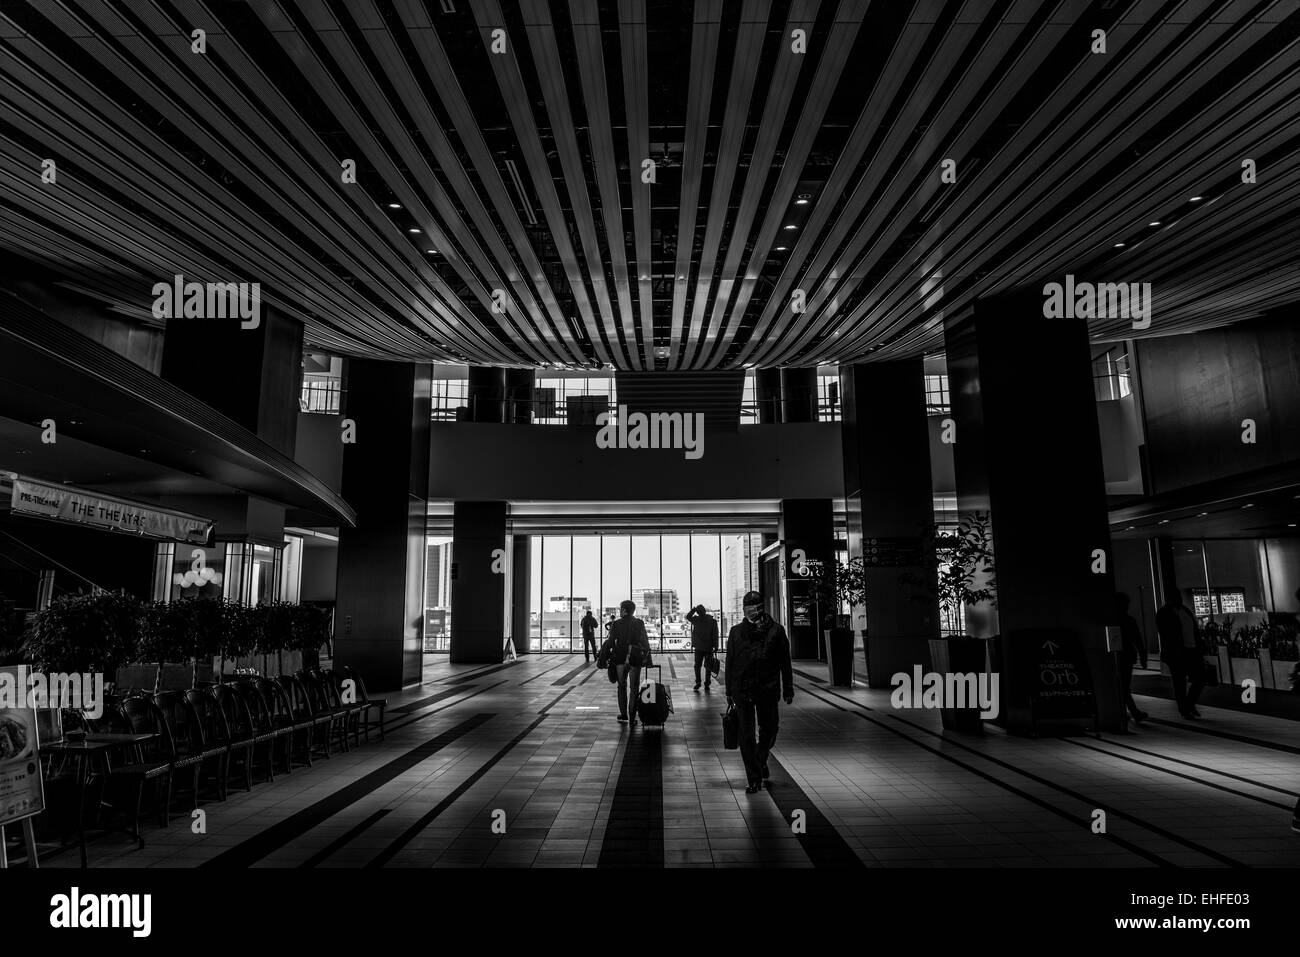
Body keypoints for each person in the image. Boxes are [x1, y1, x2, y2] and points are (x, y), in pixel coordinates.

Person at [725, 590, 792, 793]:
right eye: (749, 605)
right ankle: (754, 777)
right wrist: (729, 690)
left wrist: (788, 688)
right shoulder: (736, 632)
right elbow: (730, 662)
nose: (752, 609)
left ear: (762, 606)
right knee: (746, 734)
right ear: (744, 608)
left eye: (756, 605)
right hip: (742, 689)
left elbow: (785, 662)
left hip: (767, 688)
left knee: (770, 729)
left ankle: (760, 758)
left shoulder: (776, 631)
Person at [1155, 593, 1206, 719]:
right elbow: (1165, 634)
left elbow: (1194, 630)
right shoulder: (1164, 613)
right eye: (1176, 598)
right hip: (1177, 653)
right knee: (1180, 682)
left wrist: (1199, 647)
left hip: (1192, 651)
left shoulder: (1185, 610)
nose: (1179, 600)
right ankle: (1184, 708)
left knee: (1199, 678)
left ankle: (1188, 704)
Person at [609, 600, 651, 725]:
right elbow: (645, 641)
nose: (619, 611)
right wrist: (649, 659)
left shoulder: (616, 624)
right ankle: (632, 717)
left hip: (620, 659)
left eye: (620, 609)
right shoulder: (639, 623)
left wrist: (604, 656)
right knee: (634, 688)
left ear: (625, 610)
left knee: (621, 686)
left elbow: (611, 641)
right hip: (635, 658)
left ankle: (623, 714)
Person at [1114, 593, 1148, 727]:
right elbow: (1138, 639)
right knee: (1124, 687)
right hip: (1127, 656)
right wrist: (1143, 657)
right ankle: (1132, 713)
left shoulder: (1112, 619)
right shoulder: (1129, 620)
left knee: (1122, 687)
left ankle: (1127, 712)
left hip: (1119, 656)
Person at [686, 604, 719, 691]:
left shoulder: (696, 620)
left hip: (699, 647)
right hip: (708, 647)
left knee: (697, 666)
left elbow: (688, 617)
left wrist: (693, 610)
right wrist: (716, 646)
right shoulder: (712, 621)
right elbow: (715, 634)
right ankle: (707, 683)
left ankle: (698, 682)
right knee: (708, 666)